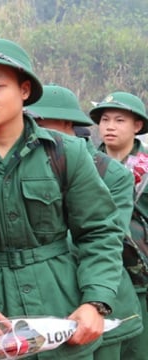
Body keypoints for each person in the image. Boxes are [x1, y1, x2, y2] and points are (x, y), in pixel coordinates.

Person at [0, 38, 125, 359]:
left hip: (63, 310)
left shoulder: (66, 153)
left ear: (24, 90)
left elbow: (99, 231)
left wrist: (94, 301)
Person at [28, 84, 143, 359]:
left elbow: (104, 236)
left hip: (99, 299)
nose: (34, 130)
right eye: (32, 123)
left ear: (69, 125)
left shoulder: (112, 173)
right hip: (47, 304)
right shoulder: (30, 167)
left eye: (43, 123)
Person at [90, 91, 148, 358]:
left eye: (119, 120)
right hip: (100, 274)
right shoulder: (85, 162)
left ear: (137, 125)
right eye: (104, 120)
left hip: (142, 278)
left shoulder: (146, 167)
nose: (109, 127)